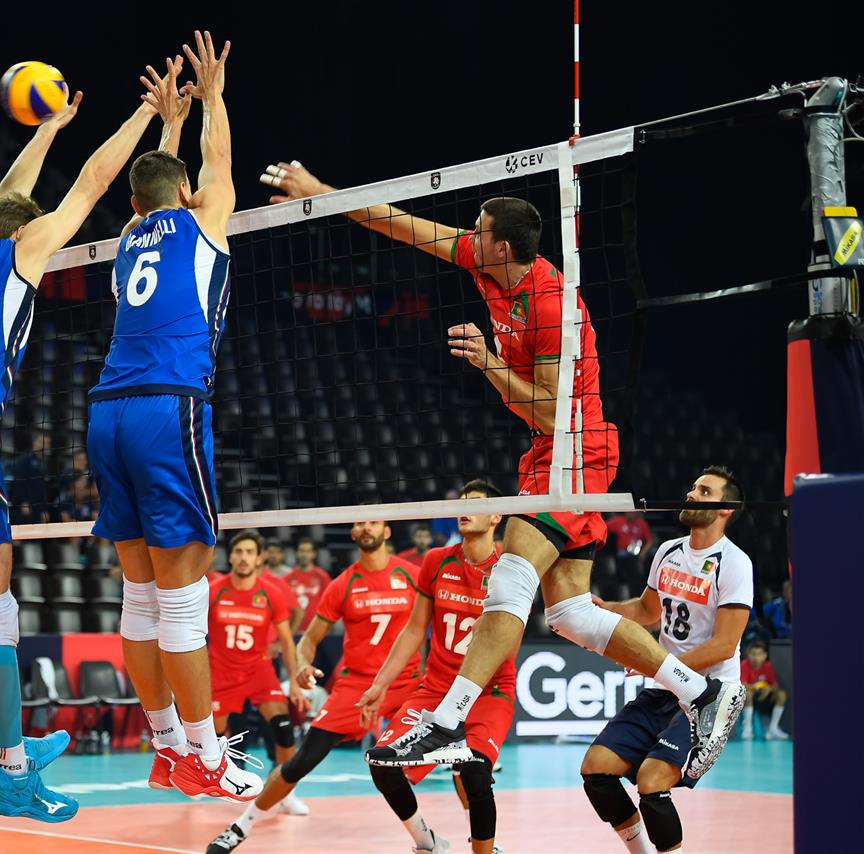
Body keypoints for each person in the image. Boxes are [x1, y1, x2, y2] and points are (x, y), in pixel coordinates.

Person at [263, 164, 743, 776]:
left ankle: (445, 721)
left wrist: (488, 363)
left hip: (576, 447)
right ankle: (701, 691)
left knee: (510, 575)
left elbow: (550, 414)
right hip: (548, 452)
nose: (469, 233)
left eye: (479, 228)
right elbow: (400, 223)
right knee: (568, 613)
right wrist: (319, 193)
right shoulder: (483, 259)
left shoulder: (551, 305)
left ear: (503, 247)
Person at [0, 53, 181, 822]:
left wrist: (48, 128)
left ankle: (1, 743)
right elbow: (92, 183)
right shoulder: (20, 250)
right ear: (25, 234)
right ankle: (11, 772)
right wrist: (146, 115)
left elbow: (3, 199)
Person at [86, 33, 264, 802]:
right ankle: (207, 756)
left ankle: (164, 747)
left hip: (107, 413)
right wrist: (212, 98)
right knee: (186, 600)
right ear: (187, 194)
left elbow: (162, 183)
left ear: (134, 205)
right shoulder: (202, 220)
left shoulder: (127, 239)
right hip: (169, 408)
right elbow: (214, 170)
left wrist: (168, 124)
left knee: (140, 598)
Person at [206, 521, 422, 853]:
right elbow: (307, 639)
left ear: (387, 530)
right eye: (360, 523)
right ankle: (239, 826)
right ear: (353, 532)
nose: (366, 527)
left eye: (374, 521)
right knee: (300, 759)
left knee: (464, 760)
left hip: (406, 683)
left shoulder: (412, 575)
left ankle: (433, 840)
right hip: (355, 685)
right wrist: (303, 665)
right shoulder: (342, 584)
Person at [580, 467, 752, 854]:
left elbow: (725, 645)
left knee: (652, 781)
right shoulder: (668, 551)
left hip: (706, 693)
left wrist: (656, 664)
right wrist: (607, 608)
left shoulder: (735, 562)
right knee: (596, 769)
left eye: (704, 491)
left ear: (725, 508)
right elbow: (647, 610)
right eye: (692, 487)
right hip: (665, 687)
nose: (691, 494)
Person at [356, 481, 511, 854]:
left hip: (488, 692)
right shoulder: (436, 560)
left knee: (475, 771)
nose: (464, 509)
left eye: (475, 504)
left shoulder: (510, 568)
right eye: (462, 503)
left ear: (496, 516)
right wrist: (380, 684)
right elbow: (414, 630)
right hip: (437, 689)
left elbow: (510, 640)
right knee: (382, 763)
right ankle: (427, 842)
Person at [200, 531, 305, 808]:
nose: (244, 558)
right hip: (221, 670)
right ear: (231, 557)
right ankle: (211, 780)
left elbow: (287, 641)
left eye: (250, 552)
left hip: (259, 670)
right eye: (239, 552)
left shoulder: (270, 593)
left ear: (259, 558)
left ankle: (285, 792)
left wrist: (294, 682)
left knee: (283, 728)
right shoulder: (215, 590)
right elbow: (192, 631)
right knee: (211, 738)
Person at [740, 641, 789, 741]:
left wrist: (768, 688)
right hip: (750, 699)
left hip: (765, 699)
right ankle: (747, 729)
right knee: (747, 693)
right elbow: (742, 684)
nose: (756, 657)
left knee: (781, 694)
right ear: (748, 655)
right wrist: (754, 687)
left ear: (764, 655)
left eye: (759, 654)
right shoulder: (744, 665)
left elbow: (775, 686)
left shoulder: (768, 666)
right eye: (753, 654)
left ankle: (773, 729)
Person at [284, 537, 330, 634]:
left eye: (308, 551)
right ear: (297, 553)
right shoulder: (288, 578)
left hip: (315, 631)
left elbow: (329, 605)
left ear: (314, 554)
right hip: (292, 631)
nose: (304, 554)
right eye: (302, 551)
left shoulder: (322, 577)